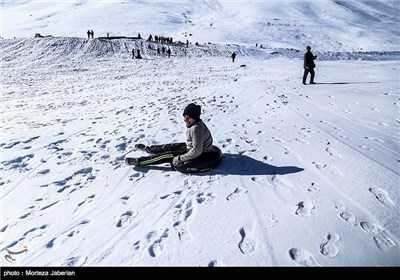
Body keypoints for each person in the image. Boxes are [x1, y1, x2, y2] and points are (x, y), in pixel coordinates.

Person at [125, 103, 221, 172]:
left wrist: (178, 159)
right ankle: (149, 149)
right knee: (169, 146)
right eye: (185, 117)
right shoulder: (194, 124)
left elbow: (197, 151)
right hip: (192, 147)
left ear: (194, 118)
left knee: (166, 156)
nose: (185, 120)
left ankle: (139, 161)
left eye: (188, 118)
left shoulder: (196, 129)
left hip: (201, 153)